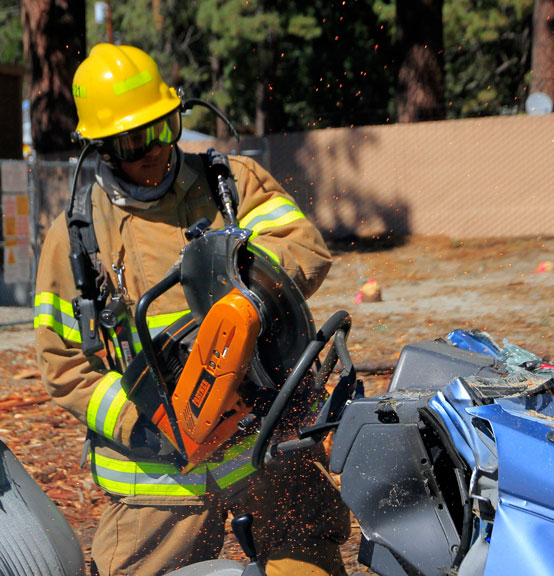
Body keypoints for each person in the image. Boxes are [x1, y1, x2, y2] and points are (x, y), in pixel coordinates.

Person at [34, 43, 349, 576]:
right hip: (160, 479)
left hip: (265, 440)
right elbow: (63, 365)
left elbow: (304, 245)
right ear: (103, 147)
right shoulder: (76, 239)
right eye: (134, 140)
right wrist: (154, 425)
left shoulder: (230, 184)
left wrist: (246, 297)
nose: (153, 148)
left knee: (308, 559)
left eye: (163, 127)